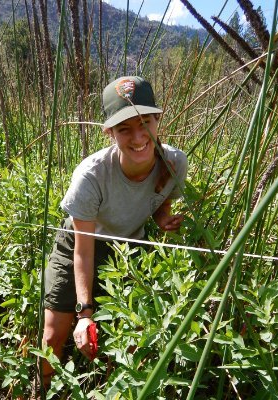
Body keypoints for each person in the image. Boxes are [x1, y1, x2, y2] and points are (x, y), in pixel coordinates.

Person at [41, 76, 188, 389]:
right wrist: (84, 313)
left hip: (129, 248)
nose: (138, 137)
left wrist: (162, 219)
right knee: (54, 336)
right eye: (124, 129)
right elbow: (83, 251)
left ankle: (111, 391)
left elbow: (161, 200)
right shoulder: (91, 175)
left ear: (157, 121)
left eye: (145, 123)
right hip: (79, 245)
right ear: (109, 132)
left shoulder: (174, 162)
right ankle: (42, 390)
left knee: (125, 339)